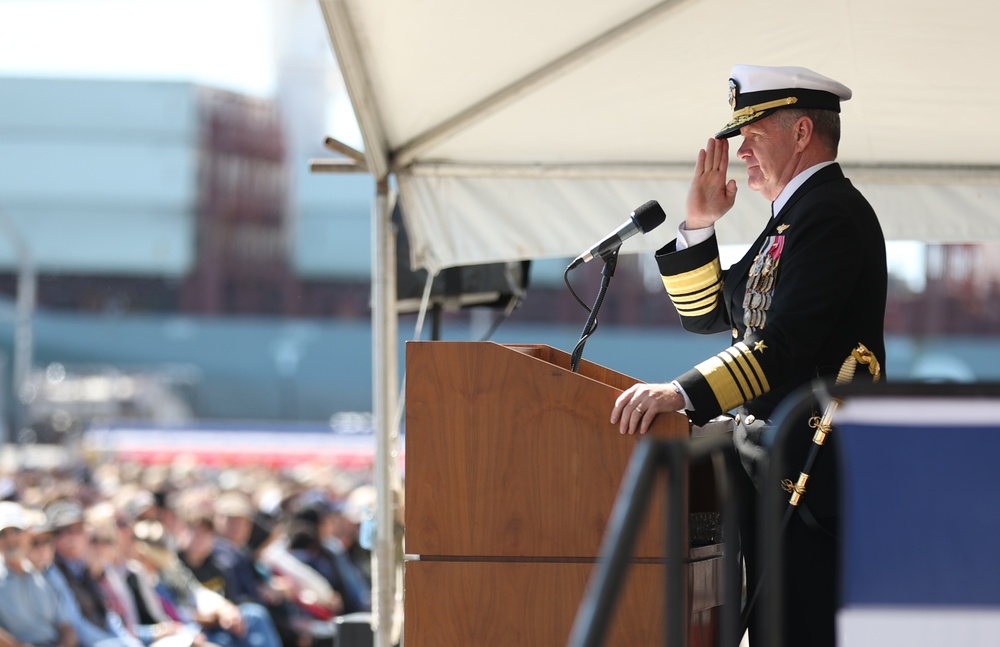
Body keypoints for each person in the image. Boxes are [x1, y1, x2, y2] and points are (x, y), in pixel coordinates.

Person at [610, 64, 887, 647]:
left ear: (802, 133)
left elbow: (779, 347)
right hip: (778, 469)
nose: (740, 154)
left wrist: (681, 393)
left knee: (797, 629)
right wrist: (698, 225)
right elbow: (712, 315)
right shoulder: (794, 217)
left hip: (812, 474)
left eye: (753, 136)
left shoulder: (830, 215)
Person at [0, 501, 78, 647]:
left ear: (28, 535)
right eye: (3, 533)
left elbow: (67, 628)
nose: (10, 539)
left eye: (16, 531)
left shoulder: (44, 575)